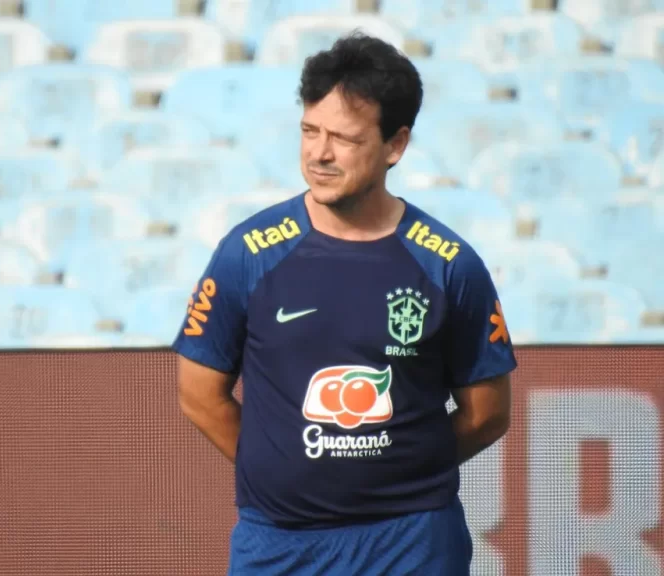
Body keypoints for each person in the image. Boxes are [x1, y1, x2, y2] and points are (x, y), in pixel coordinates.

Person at [172, 32, 517, 576]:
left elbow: (488, 412)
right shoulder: (247, 253)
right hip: (279, 546)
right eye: (310, 131)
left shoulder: (448, 263)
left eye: (344, 138)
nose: (319, 154)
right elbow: (199, 395)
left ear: (395, 146)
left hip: (413, 543)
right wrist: (281, 474)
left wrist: (400, 474)